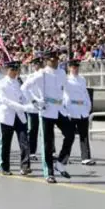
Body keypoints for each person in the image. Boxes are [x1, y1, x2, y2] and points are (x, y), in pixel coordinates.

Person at [21, 51, 74, 184]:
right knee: (47, 143)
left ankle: (61, 162)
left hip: (60, 109)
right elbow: (24, 88)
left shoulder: (62, 73)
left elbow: (65, 89)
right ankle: (49, 173)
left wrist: (67, 104)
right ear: (46, 60)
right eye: (52, 59)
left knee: (70, 134)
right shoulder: (41, 74)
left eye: (56, 59)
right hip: (47, 110)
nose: (55, 61)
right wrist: (34, 101)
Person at [0, 61, 34, 175]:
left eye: (16, 70)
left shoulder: (19, 82)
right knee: (5, 143)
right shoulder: (1, 83)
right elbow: (4, 100)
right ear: (7, 70)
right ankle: (4, 166)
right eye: (12, 70)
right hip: (7, 115)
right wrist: (21, 107)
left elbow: (24, 97)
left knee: (24, 142)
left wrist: (29, 105)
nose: (14, 72)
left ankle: (25, 166)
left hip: (20, 116)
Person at [64, 59, 94, 165]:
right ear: (69, 68)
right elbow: (63, 94)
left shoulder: (82, 79)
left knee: (84, 135)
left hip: (82, 110)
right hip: (71, 110)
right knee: (69, 136)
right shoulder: (66, 79)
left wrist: (88, 106)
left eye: (77, 67)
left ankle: (85, 157)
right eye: (73, 67)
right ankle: (65, 157)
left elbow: (85, 93)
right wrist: (65, 110)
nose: (75, 69)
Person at [22, 56, 43, 160]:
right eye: (35, 64)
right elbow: (27, 91)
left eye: (38, 64)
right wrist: (34, 100)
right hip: (34, 106)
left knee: (47, 131)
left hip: (44, 106)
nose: (37, 66)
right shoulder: (31, 77)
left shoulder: (45, 75)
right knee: (32, 130)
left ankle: (51, 151)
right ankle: (31, 152)